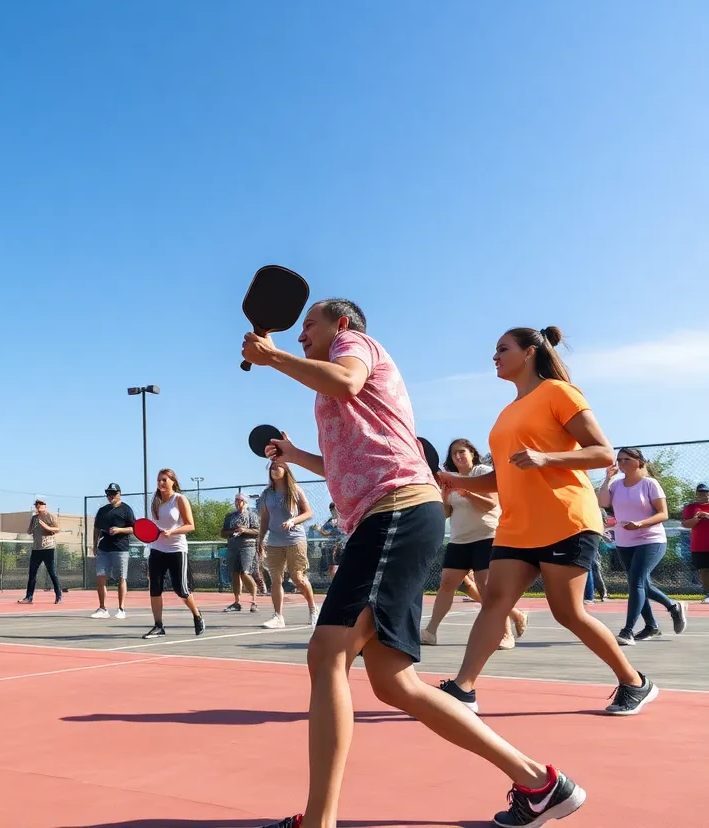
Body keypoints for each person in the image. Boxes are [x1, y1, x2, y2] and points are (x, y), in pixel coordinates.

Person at [245, 301, 585, 828]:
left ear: (339, 325)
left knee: (326, 652)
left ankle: (318, 822)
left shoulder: (352, 349)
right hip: (394, 514)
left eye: (309, 324)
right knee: (393, 684)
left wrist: (274, 358)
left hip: (396, 509)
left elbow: (348, 382)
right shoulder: (331, 380)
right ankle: (540, 783)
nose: (302, 332)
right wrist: (293, 454)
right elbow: (341, 462)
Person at [438, 326, 656, 719]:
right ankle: (463, 689)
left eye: (502, 348)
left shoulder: (560, 393)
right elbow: (503, 476)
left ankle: (635, 683)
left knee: (568, 612)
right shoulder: (506, 413)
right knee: (495, 602)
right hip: (516, 525)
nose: (494, 356)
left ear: (529, 353)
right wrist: (455, 481)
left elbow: (603, 453)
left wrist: (547, 458)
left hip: (565, 519)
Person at [422, 439, 528, 650]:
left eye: (462, 452)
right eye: (453, 454)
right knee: (446, 584)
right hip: (459, 540)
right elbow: (446, 514)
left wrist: (467, 493)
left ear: (471, 453)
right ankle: (430, 632)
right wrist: (444, 498)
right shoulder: (451, 479)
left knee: (488, 588)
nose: (458, 457)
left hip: (487, 537)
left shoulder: (482, 472)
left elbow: (490, 505)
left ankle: (506, 634)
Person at [598, 449, 687, 643]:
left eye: (626, 460)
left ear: (639, 462)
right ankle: (661, 618)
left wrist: (640, 524)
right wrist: (607, 479)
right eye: (619, 460)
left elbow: (663, 514)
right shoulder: (616, 485)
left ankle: (627, 631)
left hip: (650, 539)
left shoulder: (650, 484)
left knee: (636, 582)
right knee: (640, 583)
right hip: (623, 541)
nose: (621, 463)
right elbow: (603, 502)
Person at [141, 469, 205, 639]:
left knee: (181, 589)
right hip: (157, 549)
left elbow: (190, 525)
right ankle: (158, 626)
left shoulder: (179, 499)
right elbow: (153, 526)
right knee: (155, 588)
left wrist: (173, 531)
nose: (161, 483)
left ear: (173, 482)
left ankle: (197, 615)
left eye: (164, 480)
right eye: (158, 480)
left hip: (177, 549)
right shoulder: (155, 501)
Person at [258, 462, 318, 629]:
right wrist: (260, 539)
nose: (273, 469)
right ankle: (278, 616)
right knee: (275, 578)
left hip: (295, 539)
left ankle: (313, 609)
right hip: (275, 541)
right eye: (271, 467)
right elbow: (264, 519)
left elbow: (308, 513)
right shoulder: (266, 493)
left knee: (298, 577)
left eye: (277, 466)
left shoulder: (295, 490)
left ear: (286, 470)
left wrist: (293, 520)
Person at [92, 483, 135, 619]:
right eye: (108, 494)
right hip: (103, 548)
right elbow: (96, 529)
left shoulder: (126, 510)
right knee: (100, 577)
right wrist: (94, 545)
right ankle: (102, 608)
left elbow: (134, 528)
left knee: (121, 577)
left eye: (113, 494)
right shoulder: (102, 511)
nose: (110, 496)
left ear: (119, 494)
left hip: (120, 548)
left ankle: (121, 609)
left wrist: (119, 530)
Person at [221, 493, 261, 613]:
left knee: (245, 573)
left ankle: (254, 601)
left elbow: (257, 531)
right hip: (233, 546)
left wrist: (244, 530)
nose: (238, 503)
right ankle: (236, 602)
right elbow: (223, 533)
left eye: (240, 500)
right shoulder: (230, 516)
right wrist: (233, 531)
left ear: (245, 502)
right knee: (234, 573)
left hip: (248, 547)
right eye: (236, 500)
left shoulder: (252, 515)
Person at [21, 498, 62, 604]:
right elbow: (29, 531)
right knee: (32, 573)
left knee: (52, 573)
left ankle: (58, 595)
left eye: (40, 504)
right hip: (36, 549)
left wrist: (47, 527)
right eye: (36, 505)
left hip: (48, 548)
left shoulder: (51, 516)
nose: (38, 506)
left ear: (45, 505)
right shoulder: (34, 518)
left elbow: (57, 529)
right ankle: (29, 597)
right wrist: (31, 528)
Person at [681, 483, 709, 603]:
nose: (704, 495)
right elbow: (686, 524)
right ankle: (708, 594)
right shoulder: (691, 508)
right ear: (697, 494)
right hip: (699, 545)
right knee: (704, 569)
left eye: (706, 492)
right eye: (701, 493)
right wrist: (696, 519)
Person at [317, 503, 345, 578]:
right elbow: (323, 531)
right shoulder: (330, 521)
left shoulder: (341, 520)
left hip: (340, 545)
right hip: (332, 545)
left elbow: (339, 533)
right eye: (332, 509)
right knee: (330, 564)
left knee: (335, 564)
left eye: (334, 509)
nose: (333, 511)